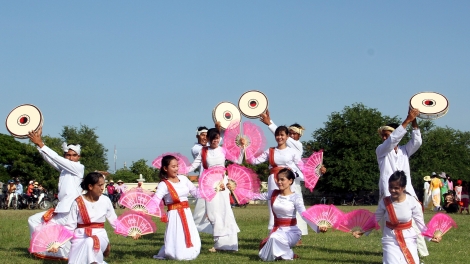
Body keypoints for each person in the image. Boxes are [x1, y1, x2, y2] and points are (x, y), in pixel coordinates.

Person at [376, 108, 428, 257]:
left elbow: (417, 141)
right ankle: (393, 253)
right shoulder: (381, 151)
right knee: (392, 227)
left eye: (387, 135)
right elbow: (392, 141)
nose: (385, 138)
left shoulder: (405, 151)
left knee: (417, 225)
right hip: (389, 196)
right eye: (383, 136)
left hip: (408, 194)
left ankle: (419, 255)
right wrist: (407, 120)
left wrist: (414, 121)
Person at [27, 127, 84, 260]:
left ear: (78, 157)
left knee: (63, 232)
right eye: (68, 155)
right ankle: (46, 250)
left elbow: (57, 158)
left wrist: (41, 143)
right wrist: (38, 145)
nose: (70, 158)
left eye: (73, 155)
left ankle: (57, 253)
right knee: (34, 221)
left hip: (70, 209)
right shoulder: (65, 169)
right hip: (62, 208)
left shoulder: (78, 168)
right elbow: (51, 160)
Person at [188, 127, 242, 252]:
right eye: (212, 139)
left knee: (225, 212)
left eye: (217, 138)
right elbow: (194, 165)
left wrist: (241, 148)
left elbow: (238, 160)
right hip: (209, 185)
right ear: (208, 139)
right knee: (212, 214)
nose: (215, 141)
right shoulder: (203, 151)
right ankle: (218, 243)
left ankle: (230, 244)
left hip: (222, 184)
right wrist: (179, 169)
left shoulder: (223, 150)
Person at [366, 171, 439, 264]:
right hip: (390, 238)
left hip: (408, 237)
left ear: (403, 187)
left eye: (396, 188)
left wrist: (430, 236)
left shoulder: (413, 202)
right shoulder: (384, 202)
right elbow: (375, 218)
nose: (392, 190)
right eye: (390, 187)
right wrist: (363, 230)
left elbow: (420, 223)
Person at [256, 168, 326, 261]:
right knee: (267, 250)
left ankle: (288, 254)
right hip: (277, 230)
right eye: (278, 179)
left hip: (291, 232)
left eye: (282, 179)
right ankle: (286, 254)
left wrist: (318, 226)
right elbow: (255, 196)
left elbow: (304, 214)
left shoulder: (295, 197)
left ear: (290, 181)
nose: (279, 182)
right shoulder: (273, 194)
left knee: (273, 238)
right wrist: (237, 190)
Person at [65, 172, 132, 264]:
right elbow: (70, 226)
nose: (102, 188)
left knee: (90, 241)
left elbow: (114, 221)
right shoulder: (78, 202)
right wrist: (58, 243)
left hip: (100, 236)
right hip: (80, 238)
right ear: (90, 186)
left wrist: (129, 232)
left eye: (103, 185)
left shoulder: (106, 200)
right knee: (86, 244)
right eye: (99, 185)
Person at [248, 126, 304, 234]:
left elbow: (302, 166)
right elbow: (254, 161)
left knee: (289, 205)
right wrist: (247, 148)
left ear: (287, 136)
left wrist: (296, 174)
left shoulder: (292, 152)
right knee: (273, 204)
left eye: (282, 135)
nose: (279, 137)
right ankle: (273, 231)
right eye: (277, 135)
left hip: (287, 181)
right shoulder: (270, 151)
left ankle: (291, 231)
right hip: (274, 180)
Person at [152, 155, 201, 260]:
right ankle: (176, 252)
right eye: (173, 166)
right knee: (177, 235)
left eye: (177, 166)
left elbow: (196, 193)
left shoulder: (183, 179)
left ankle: (190, 250)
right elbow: (156, 200)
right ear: (165, 168)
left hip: (186, 212)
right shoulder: (164, 184)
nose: (176, 169)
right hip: (174, 214)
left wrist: (213, 188)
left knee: (189, 232)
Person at [190, 126, 214, 234]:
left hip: (215, 181)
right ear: (197, 136)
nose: (205, 137)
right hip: (204, 181)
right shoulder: (196, 148)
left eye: (206, 135)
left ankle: (213, 228)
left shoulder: (211, 145)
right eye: (202, 135)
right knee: (200, 208)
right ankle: (192, 228)